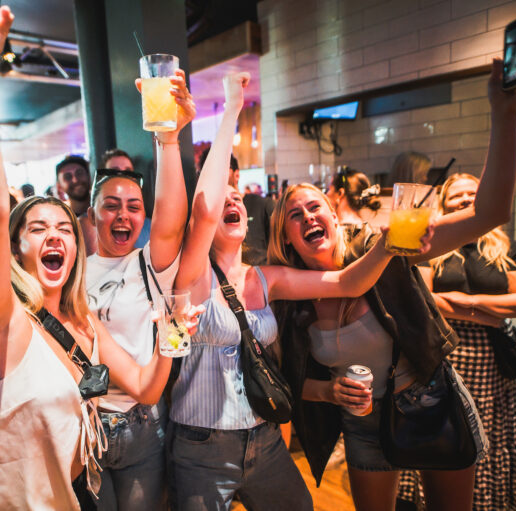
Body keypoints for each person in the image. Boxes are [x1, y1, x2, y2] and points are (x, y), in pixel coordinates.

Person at [269, 49, 516, 511]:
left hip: (433, 402)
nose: (308, 216)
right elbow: (286, 380)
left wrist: (506, 112)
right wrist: (329, 390)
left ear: (335, 216)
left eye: (315, 205)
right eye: (294, 215)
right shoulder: (291, 298)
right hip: (363, 423)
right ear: (288, 240)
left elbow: (490, 212)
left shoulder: (386, 244)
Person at [0, 5, 199, 509]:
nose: (55, 237)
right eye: (38, 229)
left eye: (62, 228)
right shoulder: (8, 323)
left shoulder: (83, 319)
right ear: (15, 246)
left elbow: (146, 389)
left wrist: (172, 338)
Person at [168, 72, 402, 511]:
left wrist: (389, 246)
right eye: (224, 198)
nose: (230, 202)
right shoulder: (192, 273)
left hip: (265, 437)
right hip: (202, 445)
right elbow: (203, 209)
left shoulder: (266, 278)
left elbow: (348, 281)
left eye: (238, 199)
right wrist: (233, 108)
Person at [397, 173, 516, 511]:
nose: (465, 201)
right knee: (447, 433)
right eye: (456, 197)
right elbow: (426, 298)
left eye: (472, 195)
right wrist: (491, 310)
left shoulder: (506, 248)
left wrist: (465, 302)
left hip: (491, 362)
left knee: (487, 435)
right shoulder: (434, 248)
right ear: (445, 208)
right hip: (442, 354)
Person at [85, 75, 195, 510]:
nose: (123, 213)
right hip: (86, 422)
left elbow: (173, 218)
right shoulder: (73, 274)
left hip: (142, 423)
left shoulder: (149, 265)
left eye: (134, 206)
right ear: (92, 215)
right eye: (111, 204)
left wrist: (169, 140)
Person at [198, 149, 274, 265]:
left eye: (222, 167)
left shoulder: (264, 206)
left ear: (236, 174)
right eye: (208, 169)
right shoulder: (206, 216)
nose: (215, 173)